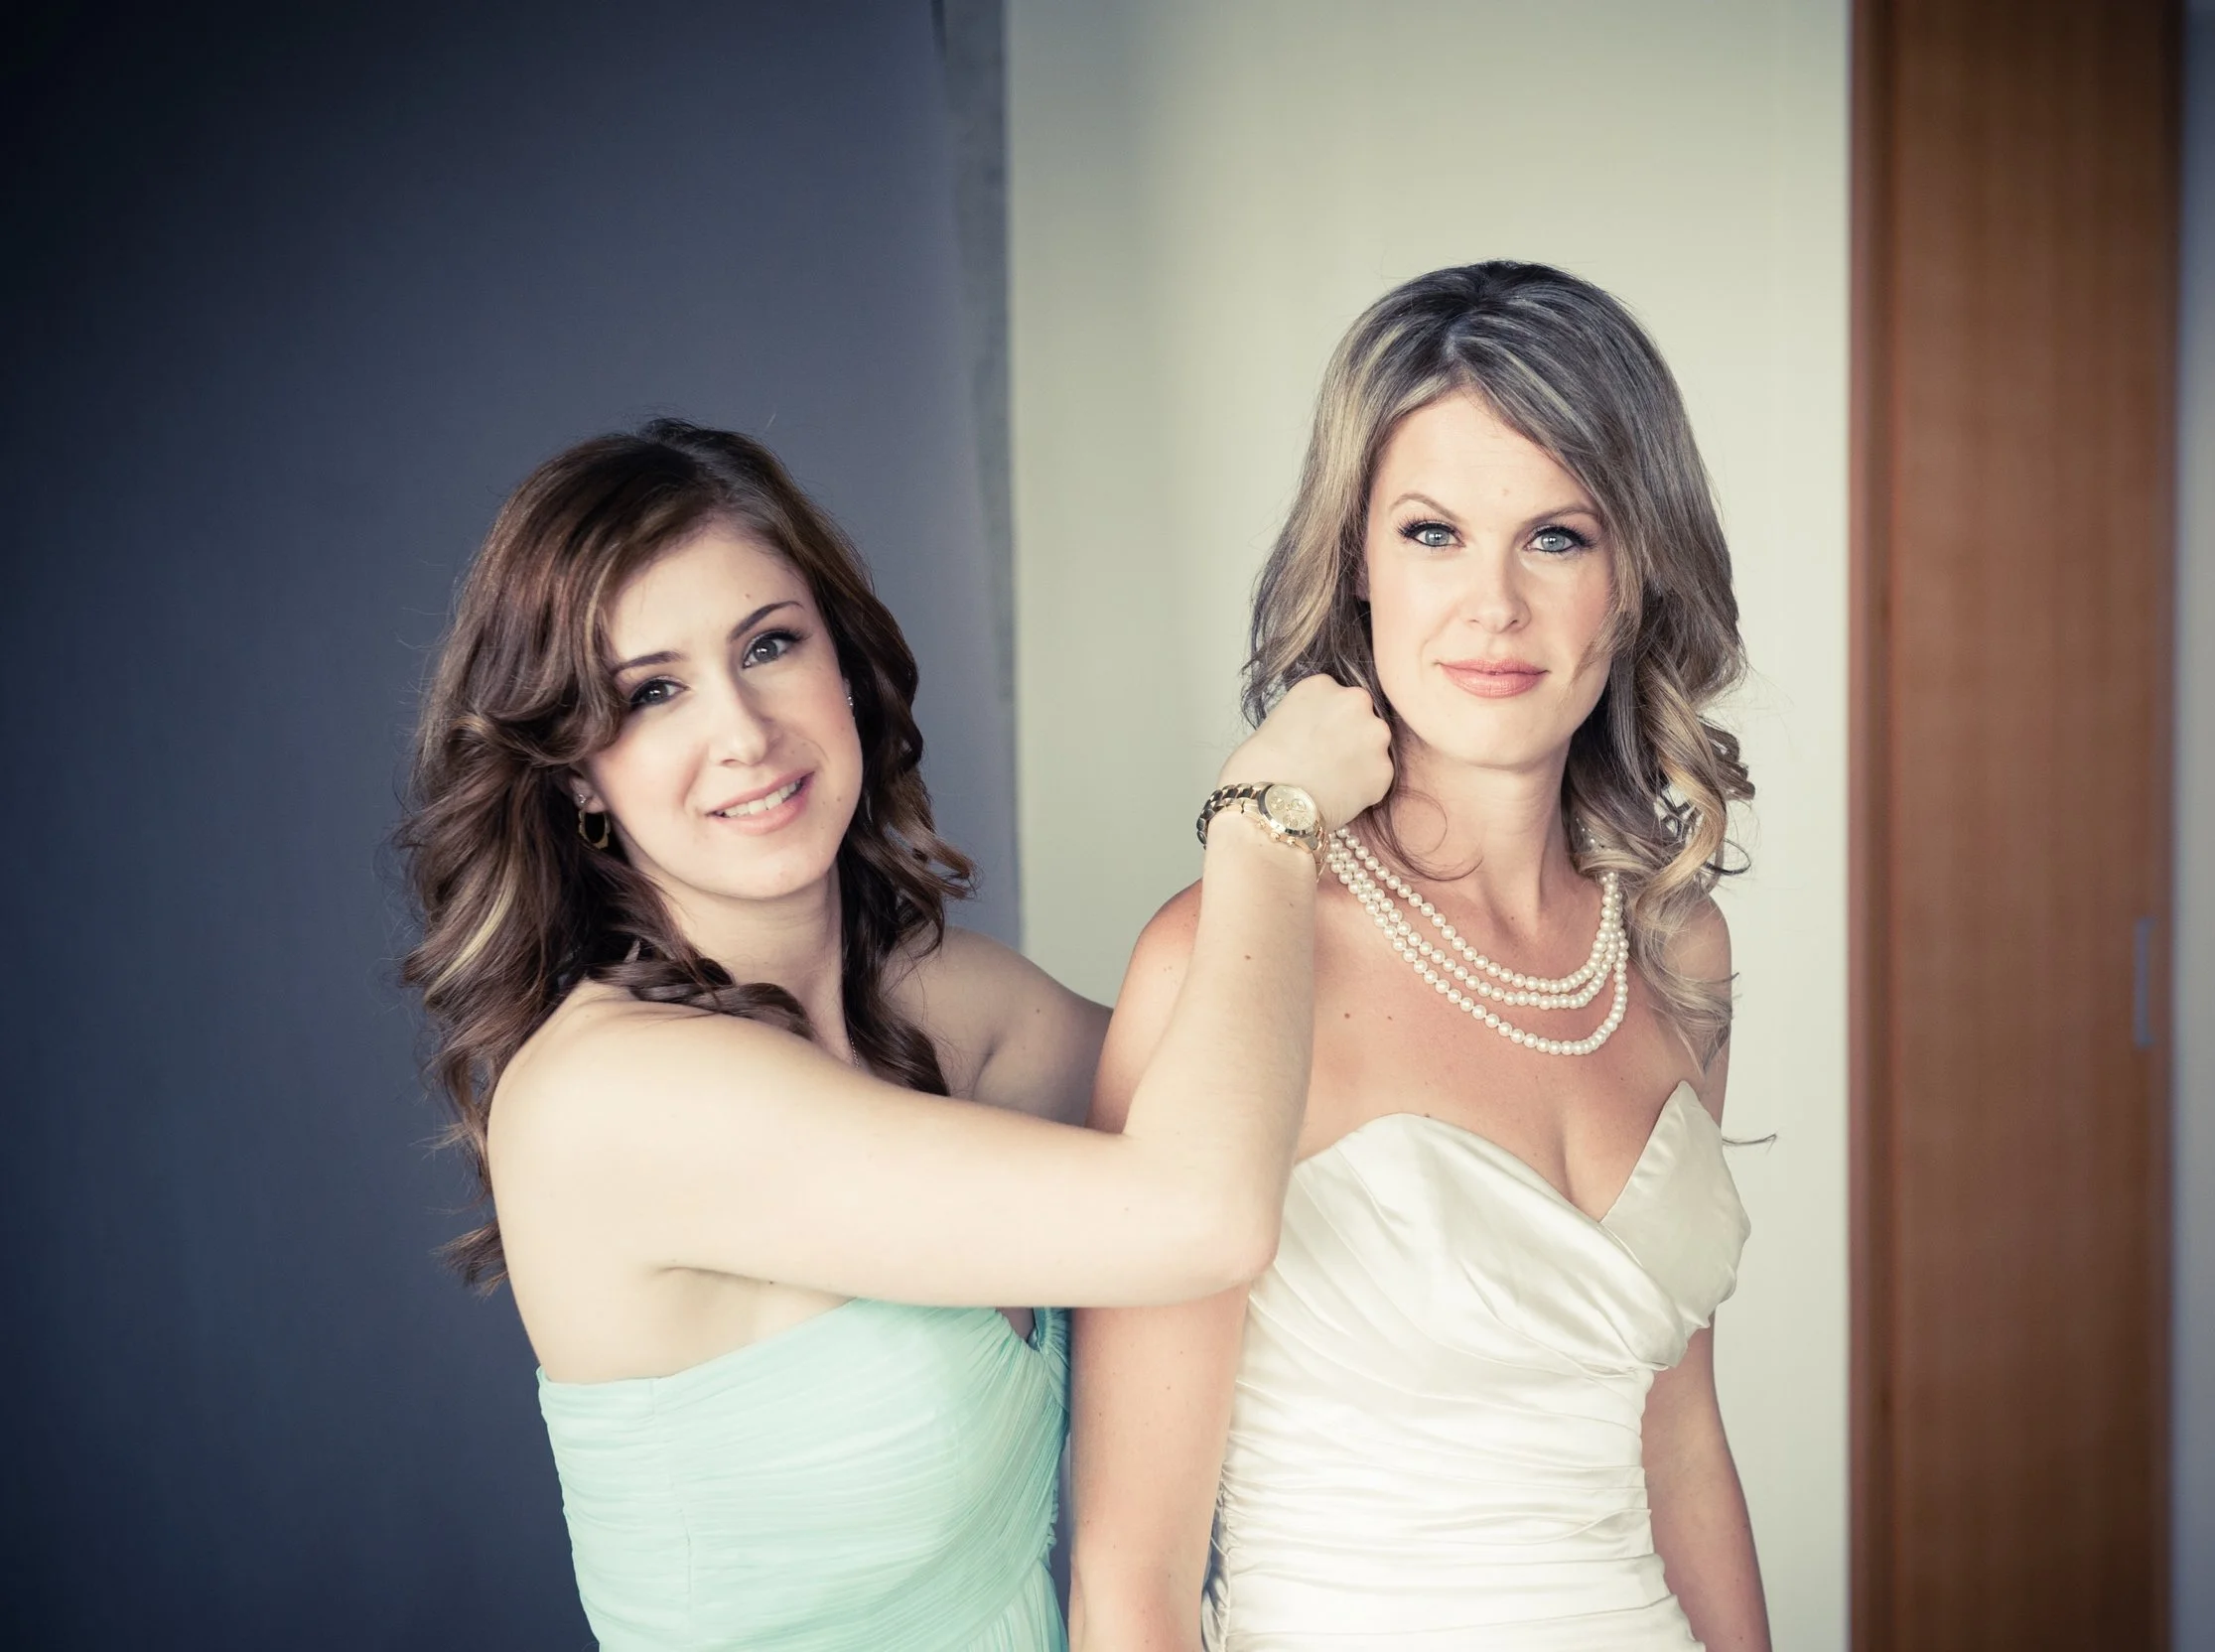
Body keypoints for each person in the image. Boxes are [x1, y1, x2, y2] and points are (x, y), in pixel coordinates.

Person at [397, 419, 1391, 1651]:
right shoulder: (617, 1095)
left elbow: (1304, 1097)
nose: (746, 732)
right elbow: (1203, 1211)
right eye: (652, 692)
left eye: (769, 645)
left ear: (844, 662)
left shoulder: (946, 998)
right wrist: (1264, 822)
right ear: (577, 773)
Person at [1069, 263, 1770, 1651]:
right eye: (1434, 534)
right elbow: (1130, 1575)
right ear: (1357, 569)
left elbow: (1681, 1439)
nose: (1494, 607)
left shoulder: (1677, 943)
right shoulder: (1223, 953)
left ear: (1635, 579)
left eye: (1558, 538)